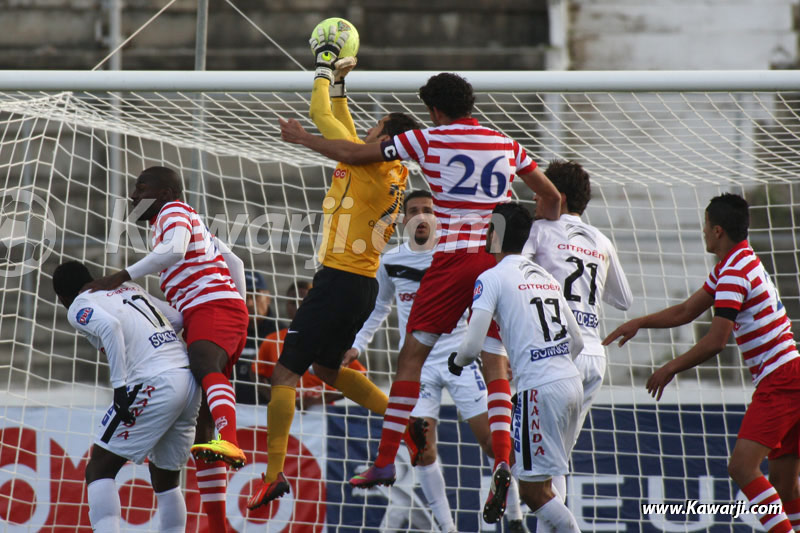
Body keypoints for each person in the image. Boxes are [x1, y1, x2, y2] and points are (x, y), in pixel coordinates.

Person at [281, 69, 561, 496]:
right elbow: (552, 198)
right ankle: (503, 459)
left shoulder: (428, 139)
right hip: (499, 261)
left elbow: (354, 153)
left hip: (453, 261)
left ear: (434, 110)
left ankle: (383, 462)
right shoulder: (506, 143)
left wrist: (304, 138)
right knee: (495, 361)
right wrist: (540, 235)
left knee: (411, 359)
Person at [246, 25, 426, 510]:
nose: (367, 130)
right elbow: (341, 120)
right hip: (360, 286)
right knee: (327, 368)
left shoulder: (369, 165)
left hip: (339, 281)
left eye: (376, 127)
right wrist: (342, 82)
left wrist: (324, 66)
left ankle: (273, 475)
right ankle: (406, 423)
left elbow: (322, 115)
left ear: (386, 138)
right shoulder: (392, 169)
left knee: (285, 373)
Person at [603, 193, 800, 533]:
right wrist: (640, 322)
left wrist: (670, 368)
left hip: (780, 378)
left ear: (718, 230)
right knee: (784, 485)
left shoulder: (734, 272)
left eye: (706, 226)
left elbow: (716, 340)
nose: (703, 232)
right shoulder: (739, 262)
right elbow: (686, 311)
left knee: (742, 467)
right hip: (790, 373)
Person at [346, 190, 528, 533]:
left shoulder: (455, 257)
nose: (421, 216)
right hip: (418, 366)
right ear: (403, 219)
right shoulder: (390, 261)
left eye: (427, 210)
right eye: (413, 210)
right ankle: (447, 528)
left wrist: (502, 353)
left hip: (461, 359)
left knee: (492, 440)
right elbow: (379, 308)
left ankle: (516, 518)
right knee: (422, 450)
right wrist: (357, 345)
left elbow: (488, 306)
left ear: (438, 217)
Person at [82, 165, 249, 532]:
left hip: (212, 307)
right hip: (214, 309)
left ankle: (232, 440)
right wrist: (241, 308)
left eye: (141, 187)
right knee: (202, 429)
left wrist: (122, 276)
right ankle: (218, 526)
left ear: (164, 193)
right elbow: (234, 263)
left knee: (203, 363)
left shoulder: (173, 211)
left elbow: (172, 252)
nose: (133, 195)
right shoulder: (192, 220)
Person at [449, 203, 584, 530]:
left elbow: (472, 345)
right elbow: (577, 341)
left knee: (533, 493)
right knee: (552, 477)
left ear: (495, 233)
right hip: (571, 383)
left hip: (539, 389)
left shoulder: (491, 277)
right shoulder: (545, 277)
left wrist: (457, 362)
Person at [52, 261, 201, 533]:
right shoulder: (129, 287)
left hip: (153, 381)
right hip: (187, 379)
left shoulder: (78, 305)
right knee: (166, 478)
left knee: (99, 469)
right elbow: (178, 319)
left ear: (62, 298)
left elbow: (110, 328)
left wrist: (120, 388)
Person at [522, 160, 632, 506]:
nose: (536, 199)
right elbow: (624, 300)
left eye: (540, 192)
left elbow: (513, 271)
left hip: (556, 355)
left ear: (559, 197)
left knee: (538, 462)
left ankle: (530, 518)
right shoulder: (601, 240)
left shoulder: (539, 231)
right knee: (557, 462)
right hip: (593, 358)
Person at [254, 280, 367, 408]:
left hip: (322, 413)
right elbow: (255, 374)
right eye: (293, 302)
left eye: (303, 302)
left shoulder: (331, 340)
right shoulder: (273, 340)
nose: (298, 307)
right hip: (286, 410)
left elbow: (362, 376)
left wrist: (322, 399)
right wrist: (277, 400)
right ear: (286, 305)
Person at [235, 271, 283, 405]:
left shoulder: (281, 333)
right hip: (232, 408)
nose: (249, 303)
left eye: (255, 295)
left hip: (270, 409)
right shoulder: (227, 332)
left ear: (268, 298)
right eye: (244, 296)